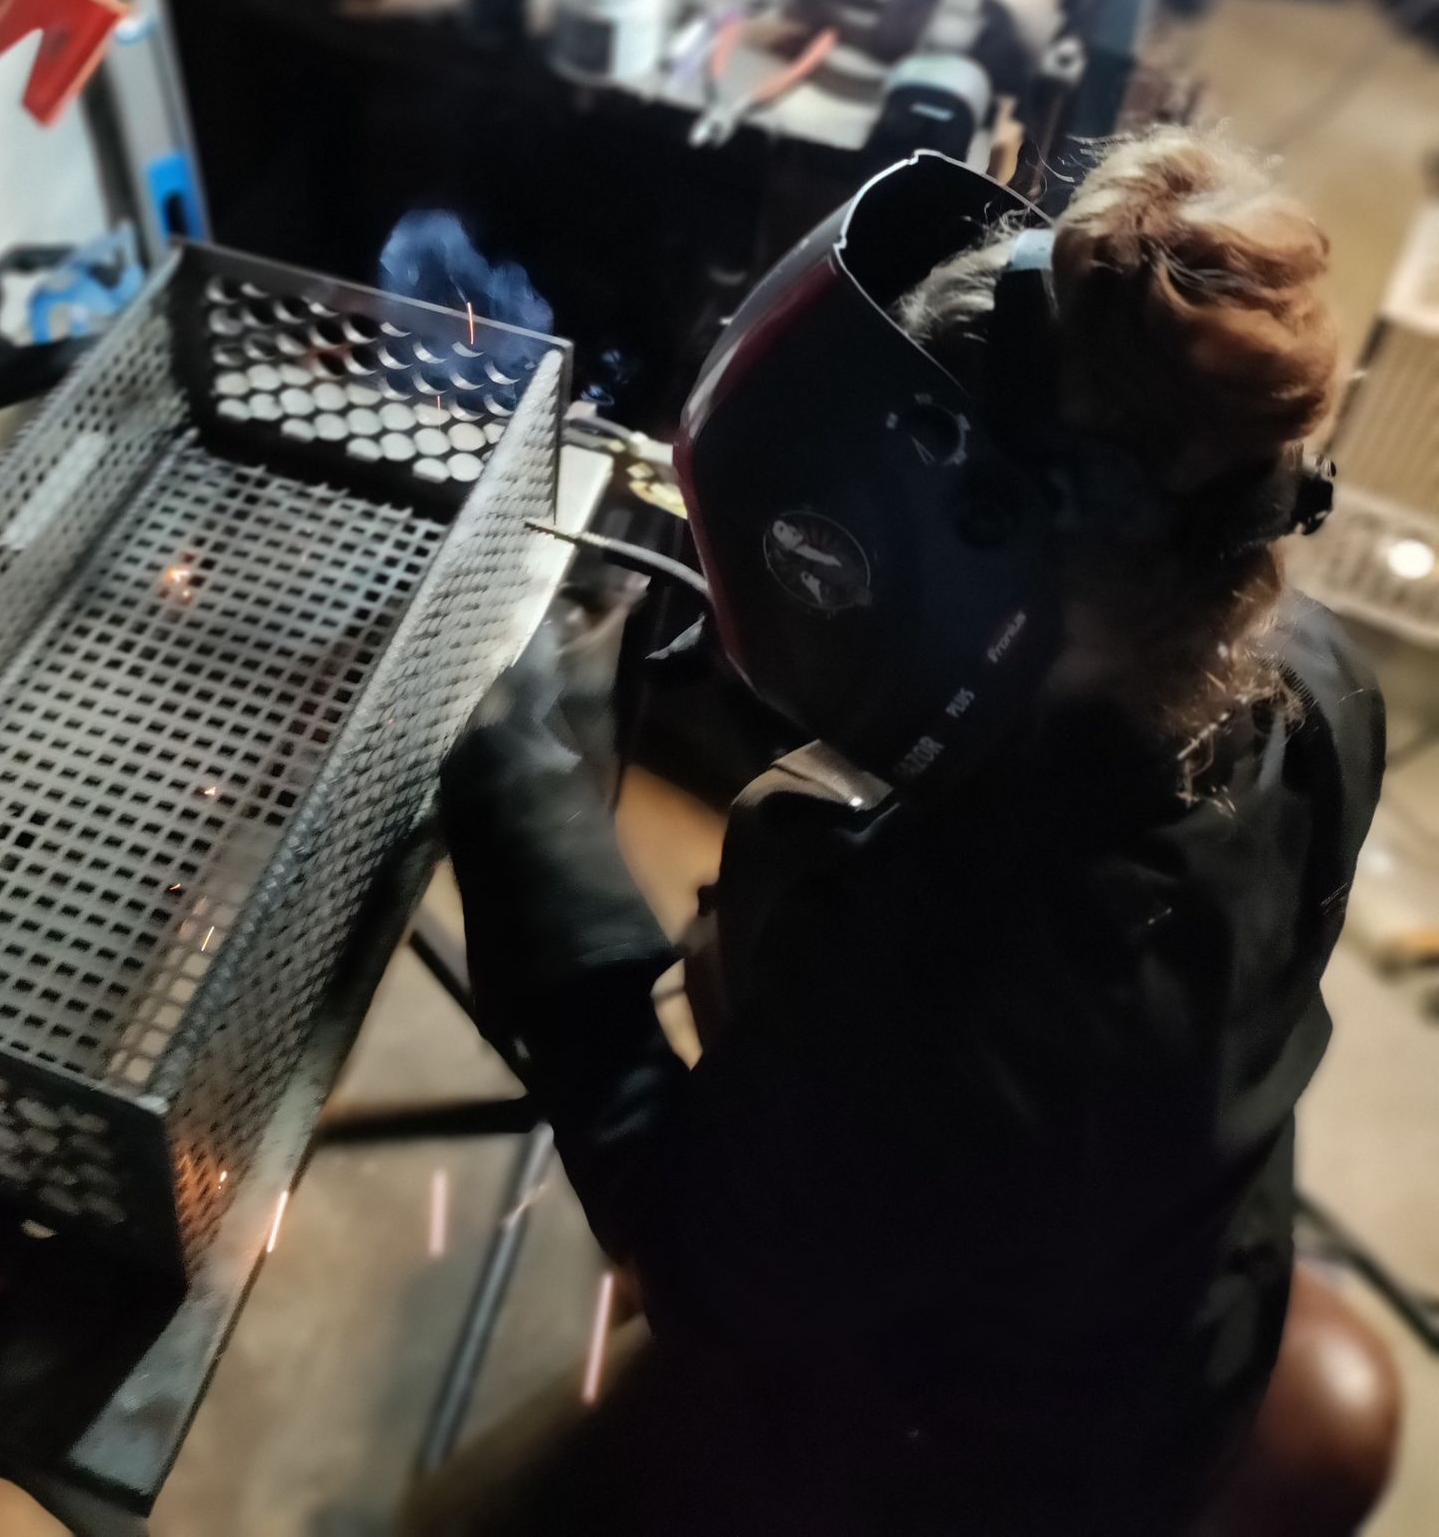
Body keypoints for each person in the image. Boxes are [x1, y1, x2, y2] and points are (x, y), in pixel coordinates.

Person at [426, 129, 1384, 1537]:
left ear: (987, 556)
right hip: (1166, 1309)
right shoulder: (1307, 676)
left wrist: (521, 803)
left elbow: (687, 1238)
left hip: (987, 1470)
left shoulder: (983, 992)